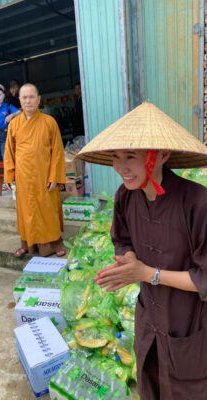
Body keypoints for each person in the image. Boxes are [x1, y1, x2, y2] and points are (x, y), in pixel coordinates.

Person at [76, 102, 207, 400]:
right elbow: (122, 241)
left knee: (187, 390)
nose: (121, 167)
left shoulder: (198, 204)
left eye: (131, 156)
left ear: (162, 155)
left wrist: (148, 274)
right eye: (115, 157)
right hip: (149, 317)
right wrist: (130, 261)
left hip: (188, 322)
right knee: (149, 381)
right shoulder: (126, 196)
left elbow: (204, 278)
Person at [4, 83, 66, 257]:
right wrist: (9, 176)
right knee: (26, 211)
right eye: (24, 97)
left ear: (38, 100)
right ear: (20, 101)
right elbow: (9, 152)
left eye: (31, 97)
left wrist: (55, 175)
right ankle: (27, 245)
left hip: (44, 176)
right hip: (23, 177)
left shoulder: (49, 122)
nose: (28, 101)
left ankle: (54, 244)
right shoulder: (14, 124)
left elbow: (58, 152)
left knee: (48, 210)